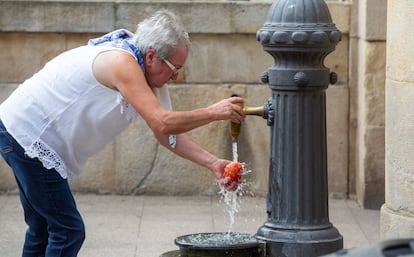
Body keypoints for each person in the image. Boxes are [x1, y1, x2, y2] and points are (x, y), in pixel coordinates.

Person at [0, 10, 245, 257]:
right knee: (68, 230)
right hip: (28, 134)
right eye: (175, 68)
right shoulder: (122, 63)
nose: (176, 76)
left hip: (20, 131)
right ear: (152, 56)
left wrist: (213, 163)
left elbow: (166, 133)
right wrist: (214, 112)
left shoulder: (146, 69)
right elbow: (162, 123)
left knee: (42, 227)